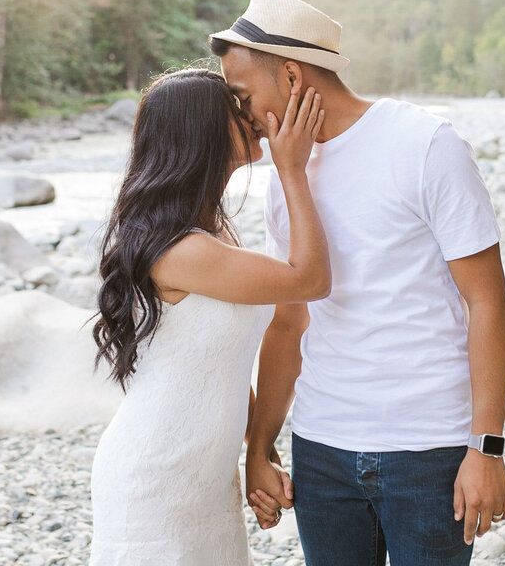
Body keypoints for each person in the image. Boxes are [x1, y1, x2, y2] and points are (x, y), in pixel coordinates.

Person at [209, 0, 505, 566]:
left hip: (429, 449)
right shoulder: (286, 180)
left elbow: (489, 303)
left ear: (294, 76)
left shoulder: (426, 146)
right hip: (322, 449)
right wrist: (260, 445)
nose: (240, 114)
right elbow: (288, 324)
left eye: (243, 95)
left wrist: (486, 448)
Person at [89, 67, 331, 566]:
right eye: (236, 109)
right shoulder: (183, 250)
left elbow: (215, 360)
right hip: (155, 482)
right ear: (199, 130)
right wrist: (292, 170)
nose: (252, 117)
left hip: (205, 481)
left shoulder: (211, 236)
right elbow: (311, 280)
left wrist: (257, 450)